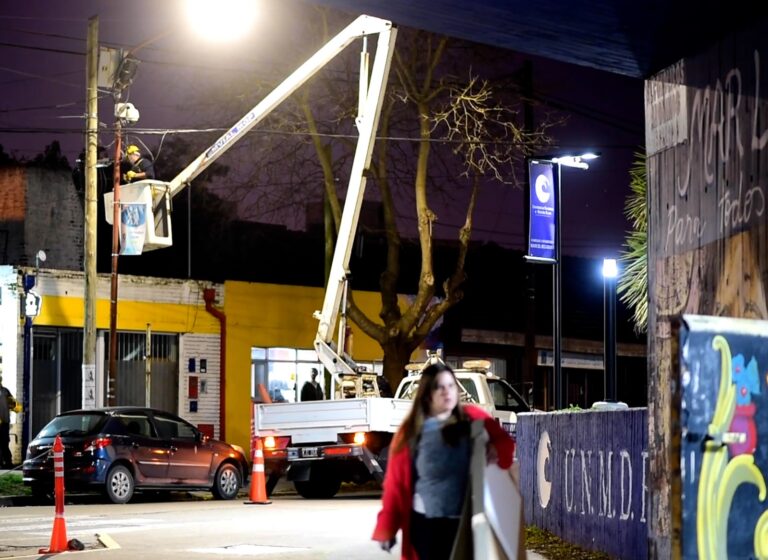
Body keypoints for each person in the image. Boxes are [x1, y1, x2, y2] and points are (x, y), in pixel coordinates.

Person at [372, 363, 514, 559]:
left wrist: (495, 449)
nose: (447, 392)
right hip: (425, 524)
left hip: (464, 523)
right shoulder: (411, 431)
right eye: (440, 387)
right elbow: (396, 485)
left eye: (451, 386)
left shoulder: (474, 418)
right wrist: (387, 528)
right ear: (427, 393)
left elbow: (505, 445)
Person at [0, 375, 19, 469]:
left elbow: (15, 407)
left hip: (5, 423)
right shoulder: (4, 392)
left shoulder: (5, 391)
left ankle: (7, 462)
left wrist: (15, 406)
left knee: (4, 442)